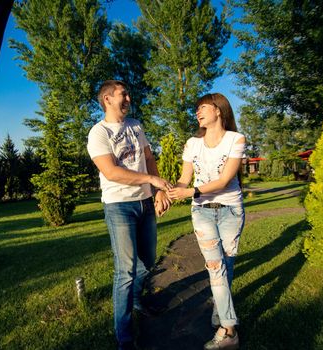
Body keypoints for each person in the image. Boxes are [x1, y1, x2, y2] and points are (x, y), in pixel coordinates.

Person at [87, 80, 172, 350]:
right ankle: (124, 338)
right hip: (119, 206)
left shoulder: (135, 125)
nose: (128, 98)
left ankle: (136, 300)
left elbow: (148, 157)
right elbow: (111, 172)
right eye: (123, 94)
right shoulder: (98, 133)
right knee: (125, 271)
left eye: (128, 94)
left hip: (145, 203)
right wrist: (150, 180)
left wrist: (157, 189)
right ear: (107, 99)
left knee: (146, 262)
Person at [167, 93, 245, 350]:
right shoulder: (192, 143)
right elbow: (184, 178)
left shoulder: (236, 139)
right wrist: (168, 193)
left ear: (218, 110)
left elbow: (224, 181)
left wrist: (190, 191)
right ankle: (229, 330)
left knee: (227, 266)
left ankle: (220, 313)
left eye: (202, 107)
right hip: (201, 212)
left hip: (231, 211)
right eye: (196, 109)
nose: (197, 112)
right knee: (215, 267)